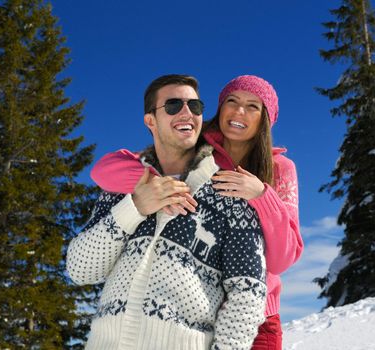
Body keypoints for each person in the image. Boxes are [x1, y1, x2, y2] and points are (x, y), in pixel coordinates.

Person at [91, 75, 303, 350]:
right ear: (219, 106)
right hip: (192, 318)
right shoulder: (195, 150)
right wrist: (158, 183)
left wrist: (262, 196)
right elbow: (104, 170)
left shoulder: (280, 169)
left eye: (253, 106)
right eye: (232, 101)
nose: (240, 112)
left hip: (256, 318)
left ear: (266, 119)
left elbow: (282, 260)